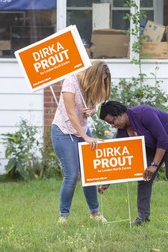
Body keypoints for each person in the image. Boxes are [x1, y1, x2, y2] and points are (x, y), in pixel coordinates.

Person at [99, 100, 168, 226]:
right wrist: (108, 181)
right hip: (154, 145)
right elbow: (120, 160)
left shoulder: (144, 113)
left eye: (112, 122)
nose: (112, 125)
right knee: (144, 177)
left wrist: (154, 165)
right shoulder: (122, 133)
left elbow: (163, 138)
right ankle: (143, 218)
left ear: (120, 114)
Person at [51, 60, 112, 224]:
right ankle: (63, 216)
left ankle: (95, 213)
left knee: (89, 174)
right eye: (101, 80)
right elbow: (71, 113)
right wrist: (85, 138)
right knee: (72, 175)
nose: (102, 84)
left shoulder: (91, 86)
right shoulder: (70, 81)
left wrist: (91, 111)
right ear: (93, 75)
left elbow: (92, 107)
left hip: (83, 131)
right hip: (63, 132)